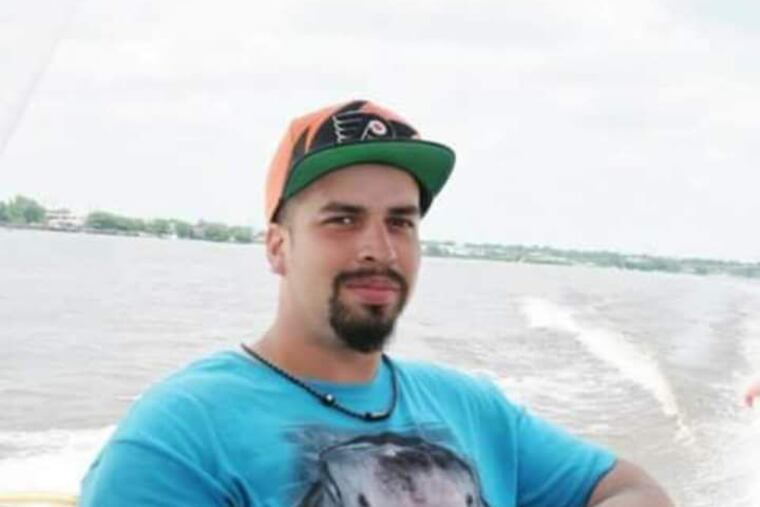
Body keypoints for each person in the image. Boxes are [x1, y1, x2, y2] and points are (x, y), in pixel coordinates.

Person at [80, 99, 673, 506]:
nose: (380, 249)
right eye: (342, 220)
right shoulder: (182, 434)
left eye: (400, 222)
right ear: (278, 246)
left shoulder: (474, 408)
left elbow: (632, 489)